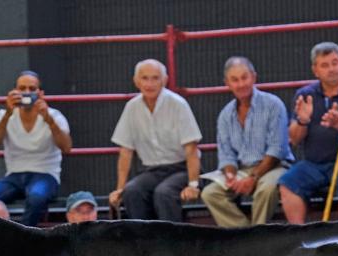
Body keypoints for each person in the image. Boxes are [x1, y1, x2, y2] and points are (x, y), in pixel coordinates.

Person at [279, 43, 338, 224]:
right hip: (314, 163)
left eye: (334, 63)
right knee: (287, 183)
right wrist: (303, 120)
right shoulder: (305, 94)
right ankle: (300, 239)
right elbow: (293, 139)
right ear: (315, 70)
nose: (331, 69)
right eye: (324, 65)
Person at [201, 57, 292, 228]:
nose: (241, 84)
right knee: (210, 194)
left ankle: (257, 234)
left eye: (244, 77)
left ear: (254, 77)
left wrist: (253, 177)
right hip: (241, 170)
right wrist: (230, 175)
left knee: (266, 189)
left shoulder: (273, 104)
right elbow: (226, 154)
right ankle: (243, 235)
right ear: (227, 83)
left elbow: (277, 150)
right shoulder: (225, 114)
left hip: (274, 166)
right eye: (235, 80)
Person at [108, 59, 203, 222]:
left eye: (155, 78)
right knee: (131, 192)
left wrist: (193, 185)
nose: (150, 83)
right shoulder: (131, 107)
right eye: (145, 78)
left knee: (164, 193)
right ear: (136, 81)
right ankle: (144, 243)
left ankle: (172, 244)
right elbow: (125, 151)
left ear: (164, 80)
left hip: (182, 169)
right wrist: (119, 188)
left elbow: (191, 148)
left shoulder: (178, 104)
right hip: (151, 171)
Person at [0, 71, 72, 226]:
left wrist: (49, 120)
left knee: (36, 198)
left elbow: (67, 147)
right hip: (14, 176)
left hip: (46, 174)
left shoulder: (54, 115)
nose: (27, 93)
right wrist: (8, 113)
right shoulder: (4, 115)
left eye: (32, 88)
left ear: (40, 93)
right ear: (14, 92)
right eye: (22, 88)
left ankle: (24, 242)